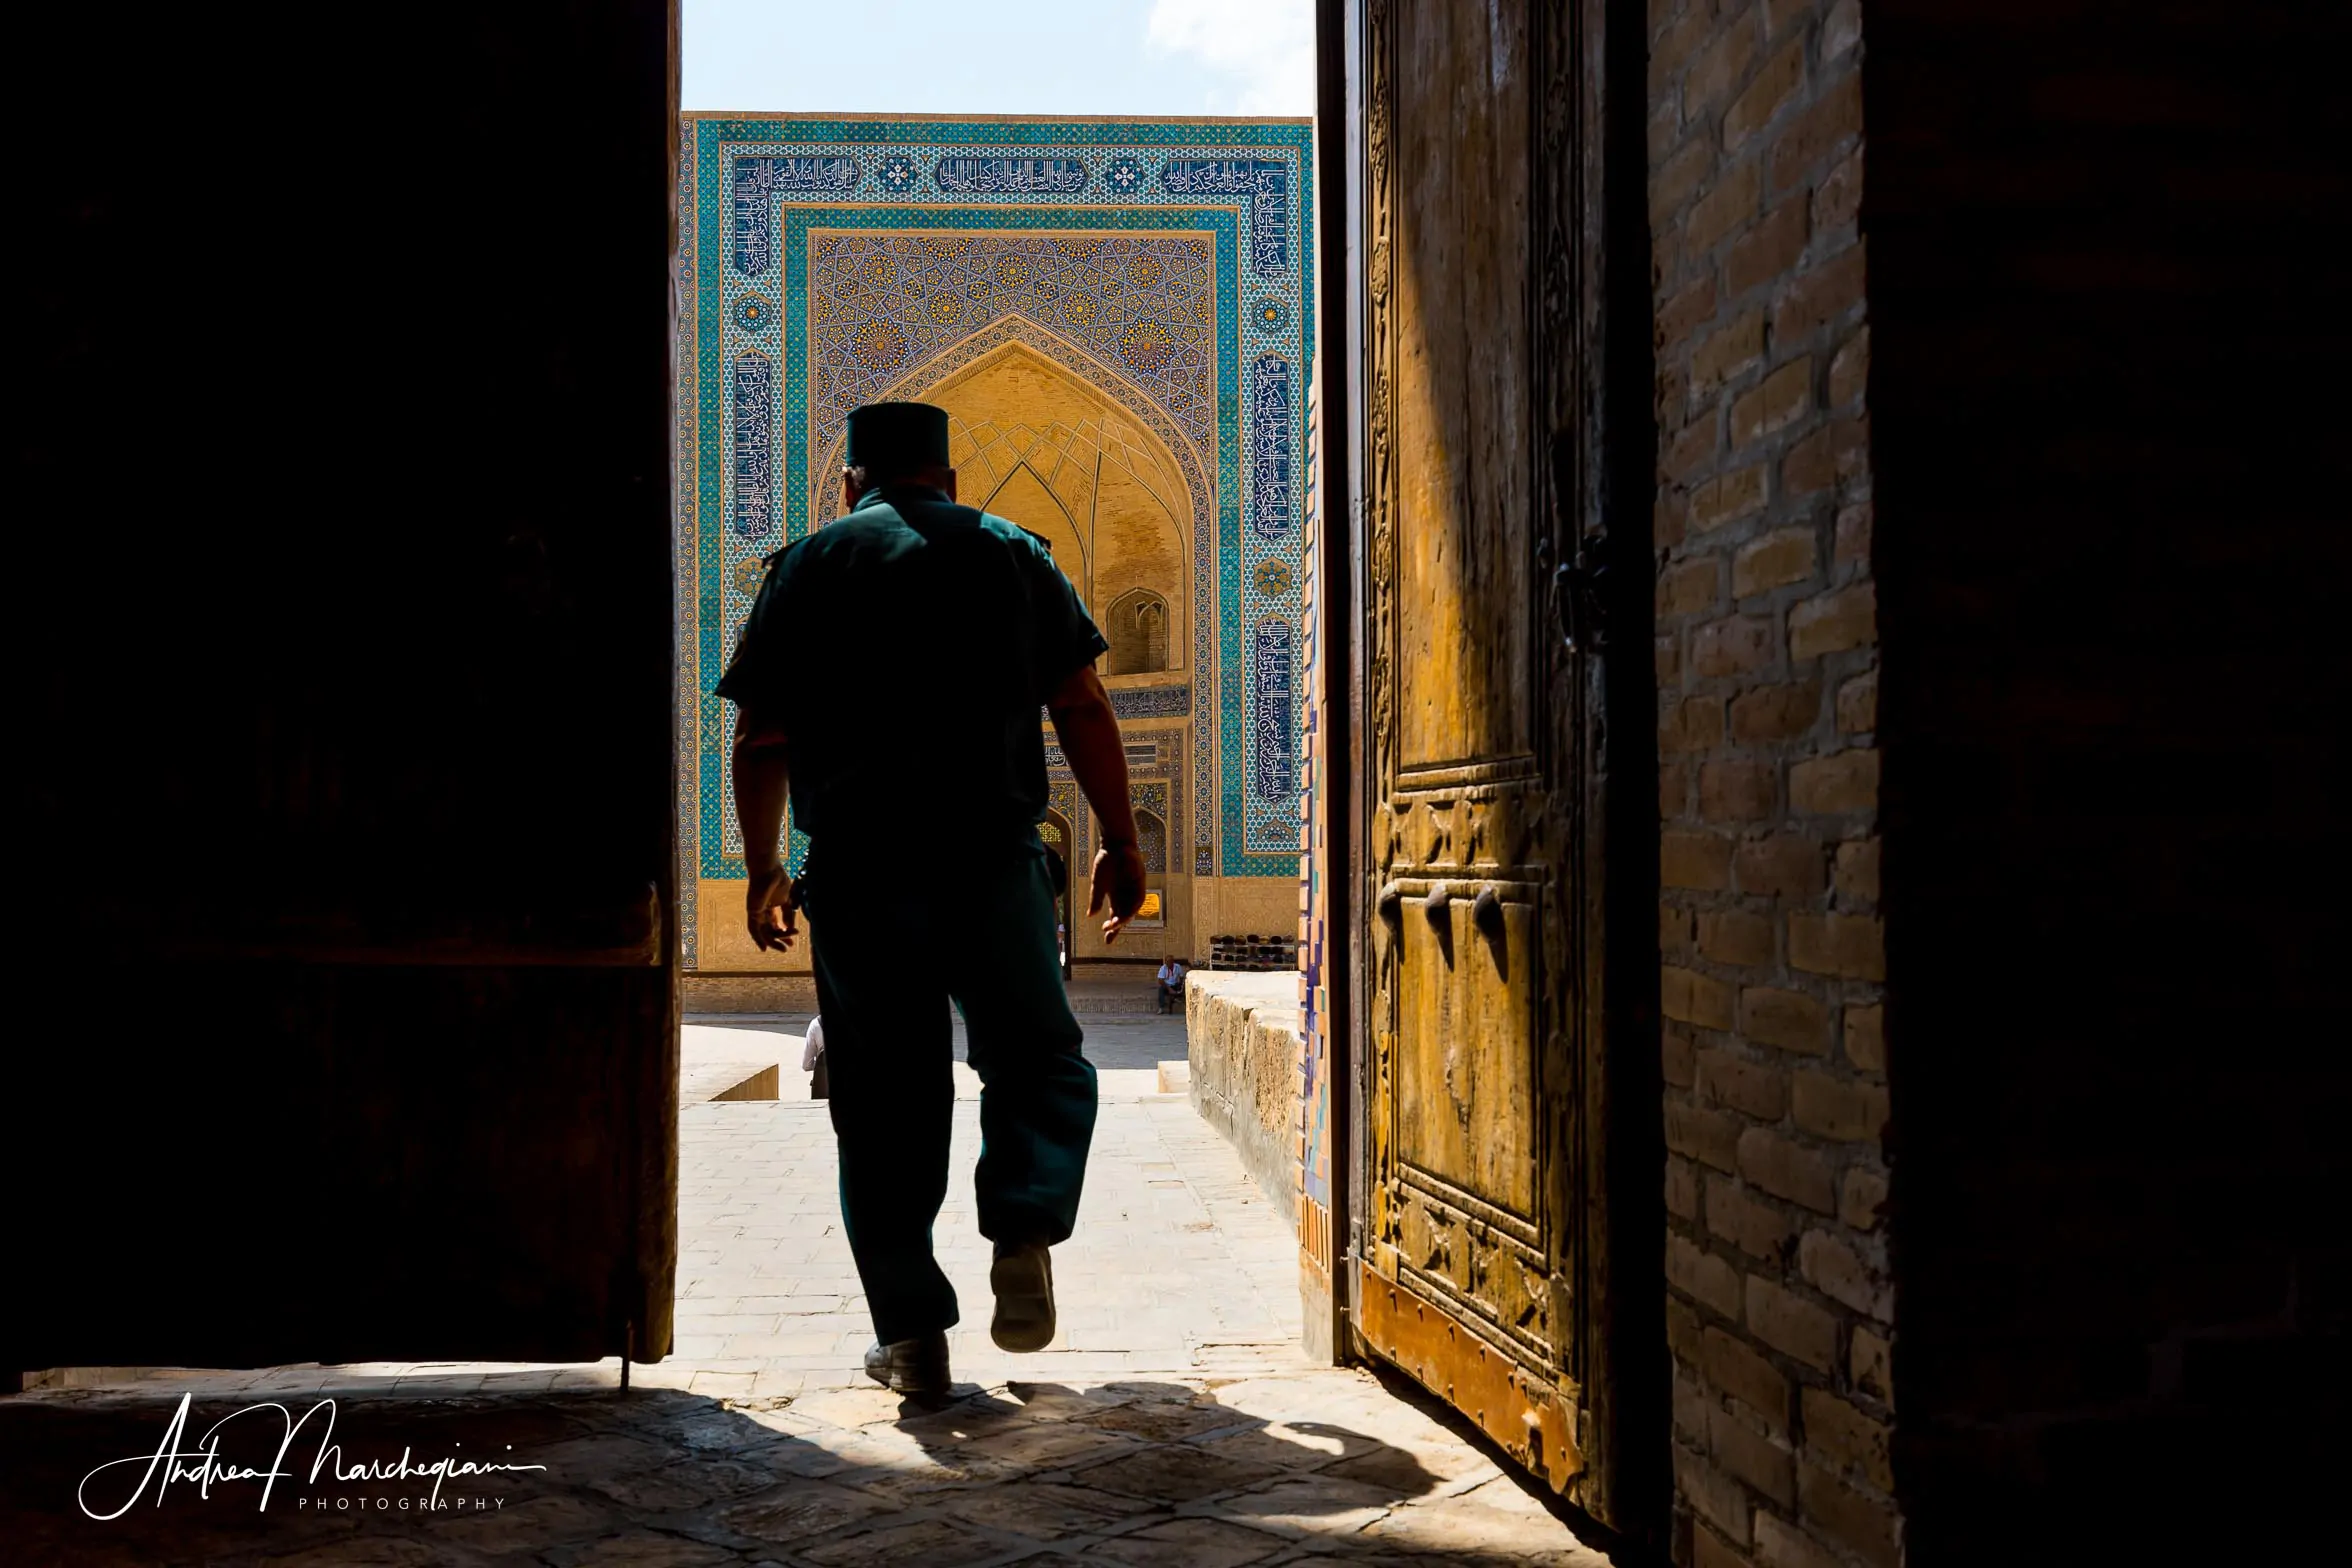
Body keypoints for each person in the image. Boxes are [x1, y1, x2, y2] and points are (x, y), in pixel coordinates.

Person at [718, 400, 1147, 1398]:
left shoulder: (811, 563)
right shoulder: (1012, 552)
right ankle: (1026, 1218)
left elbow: (761, 739)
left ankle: (911, 1336)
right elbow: (1082, 702)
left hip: (863, 873)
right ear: (949, 480)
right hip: (992, 862)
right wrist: (1122, 840)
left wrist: (761, 864)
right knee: (1036, 1055)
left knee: (883, 1099)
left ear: (850, 480)